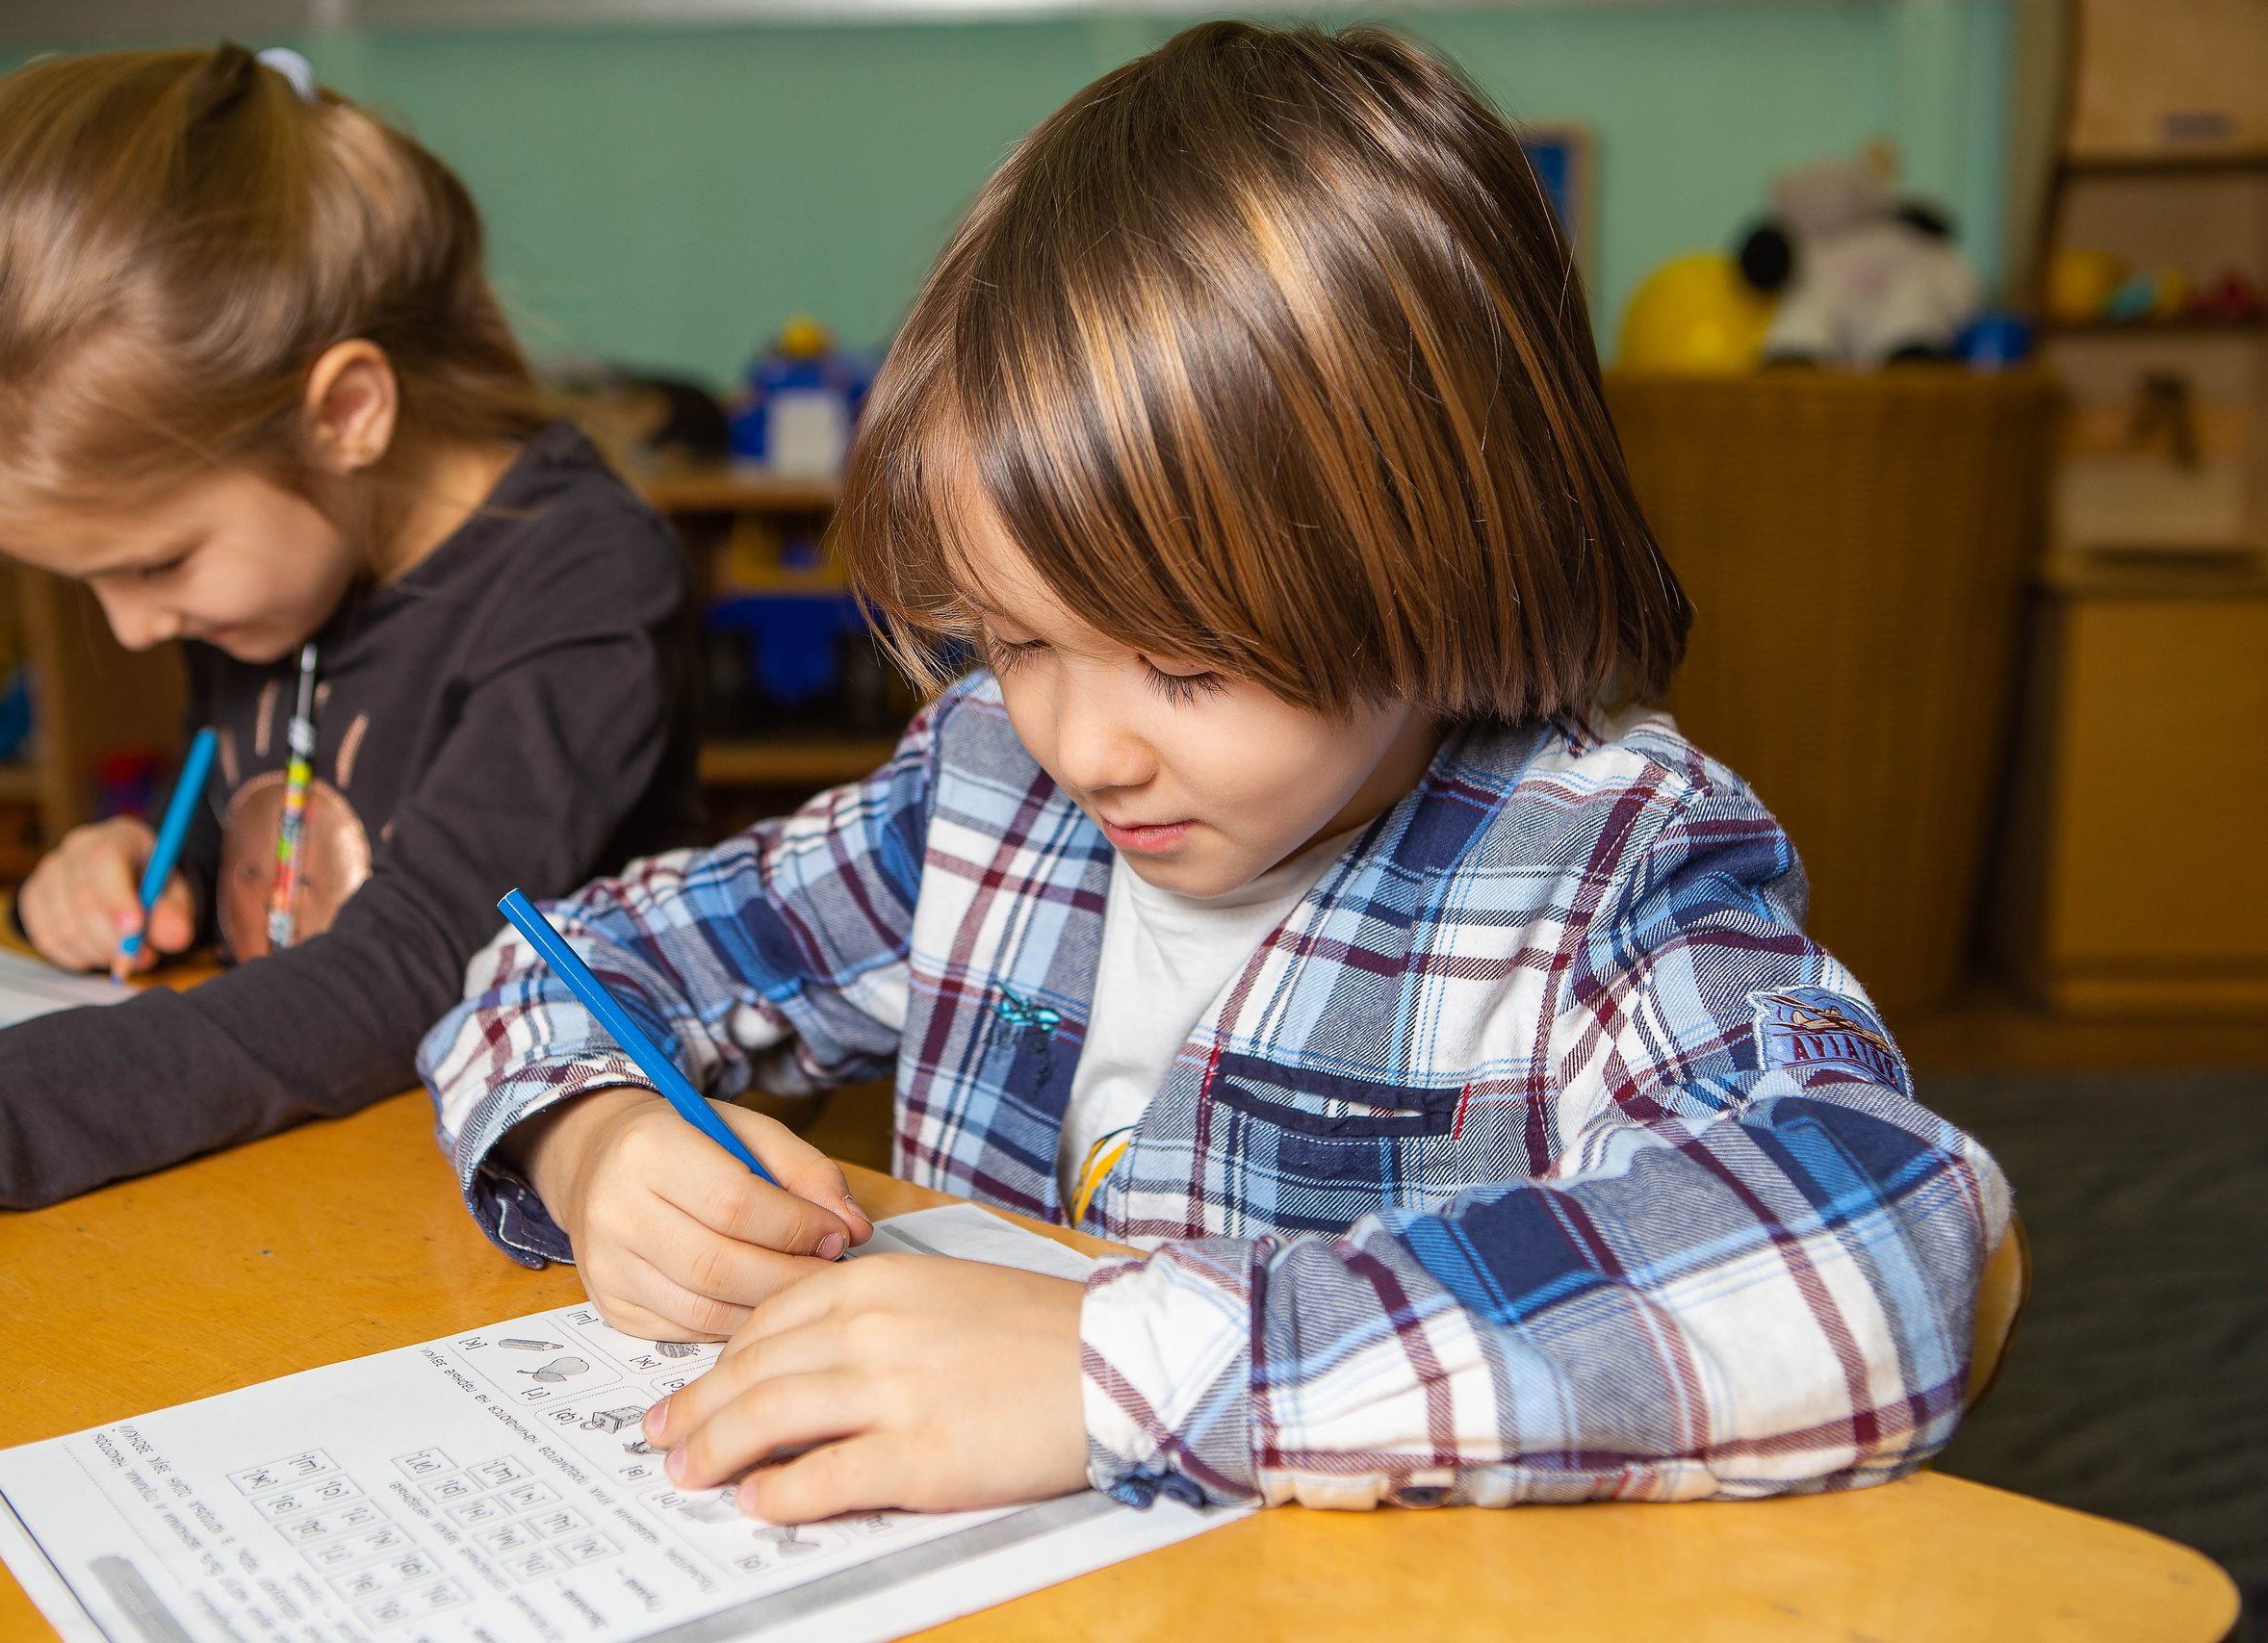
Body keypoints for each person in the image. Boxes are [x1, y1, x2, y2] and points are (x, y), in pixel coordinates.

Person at [420, 22, 2009, 1524]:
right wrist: (596, 1141)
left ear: (1449, 545)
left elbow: (1877, 1244)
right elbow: (543, 967)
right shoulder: (981, 789)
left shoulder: (1608, 866)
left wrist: (1117, 1368)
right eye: (1015, 638)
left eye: (1187, 663)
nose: (1087, 748)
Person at [0, 45, 694, 1272]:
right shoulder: (273, 580)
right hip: (302, 1185)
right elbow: (270, 840)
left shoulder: (585, 583)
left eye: (158, 563)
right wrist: (121, 867)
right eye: (87, 580)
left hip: (524, 1225)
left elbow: (401, 975)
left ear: (344, 415)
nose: (129, 628)